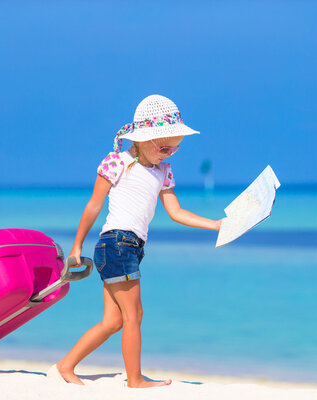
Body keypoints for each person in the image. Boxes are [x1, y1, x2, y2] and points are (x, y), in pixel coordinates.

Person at [52, 94, 221, 388]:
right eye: (165, 147)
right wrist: (77, 245)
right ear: (143, 139)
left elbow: (176, 212)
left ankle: (66, 366)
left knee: (113, 322)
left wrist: (216, 224)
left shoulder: (163, 171)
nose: (169, 154)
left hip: (127, 248)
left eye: (175, 149)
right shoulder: (118, 161)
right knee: (134, 315)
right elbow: (94, 205)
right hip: (117, 242)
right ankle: (135, 380)